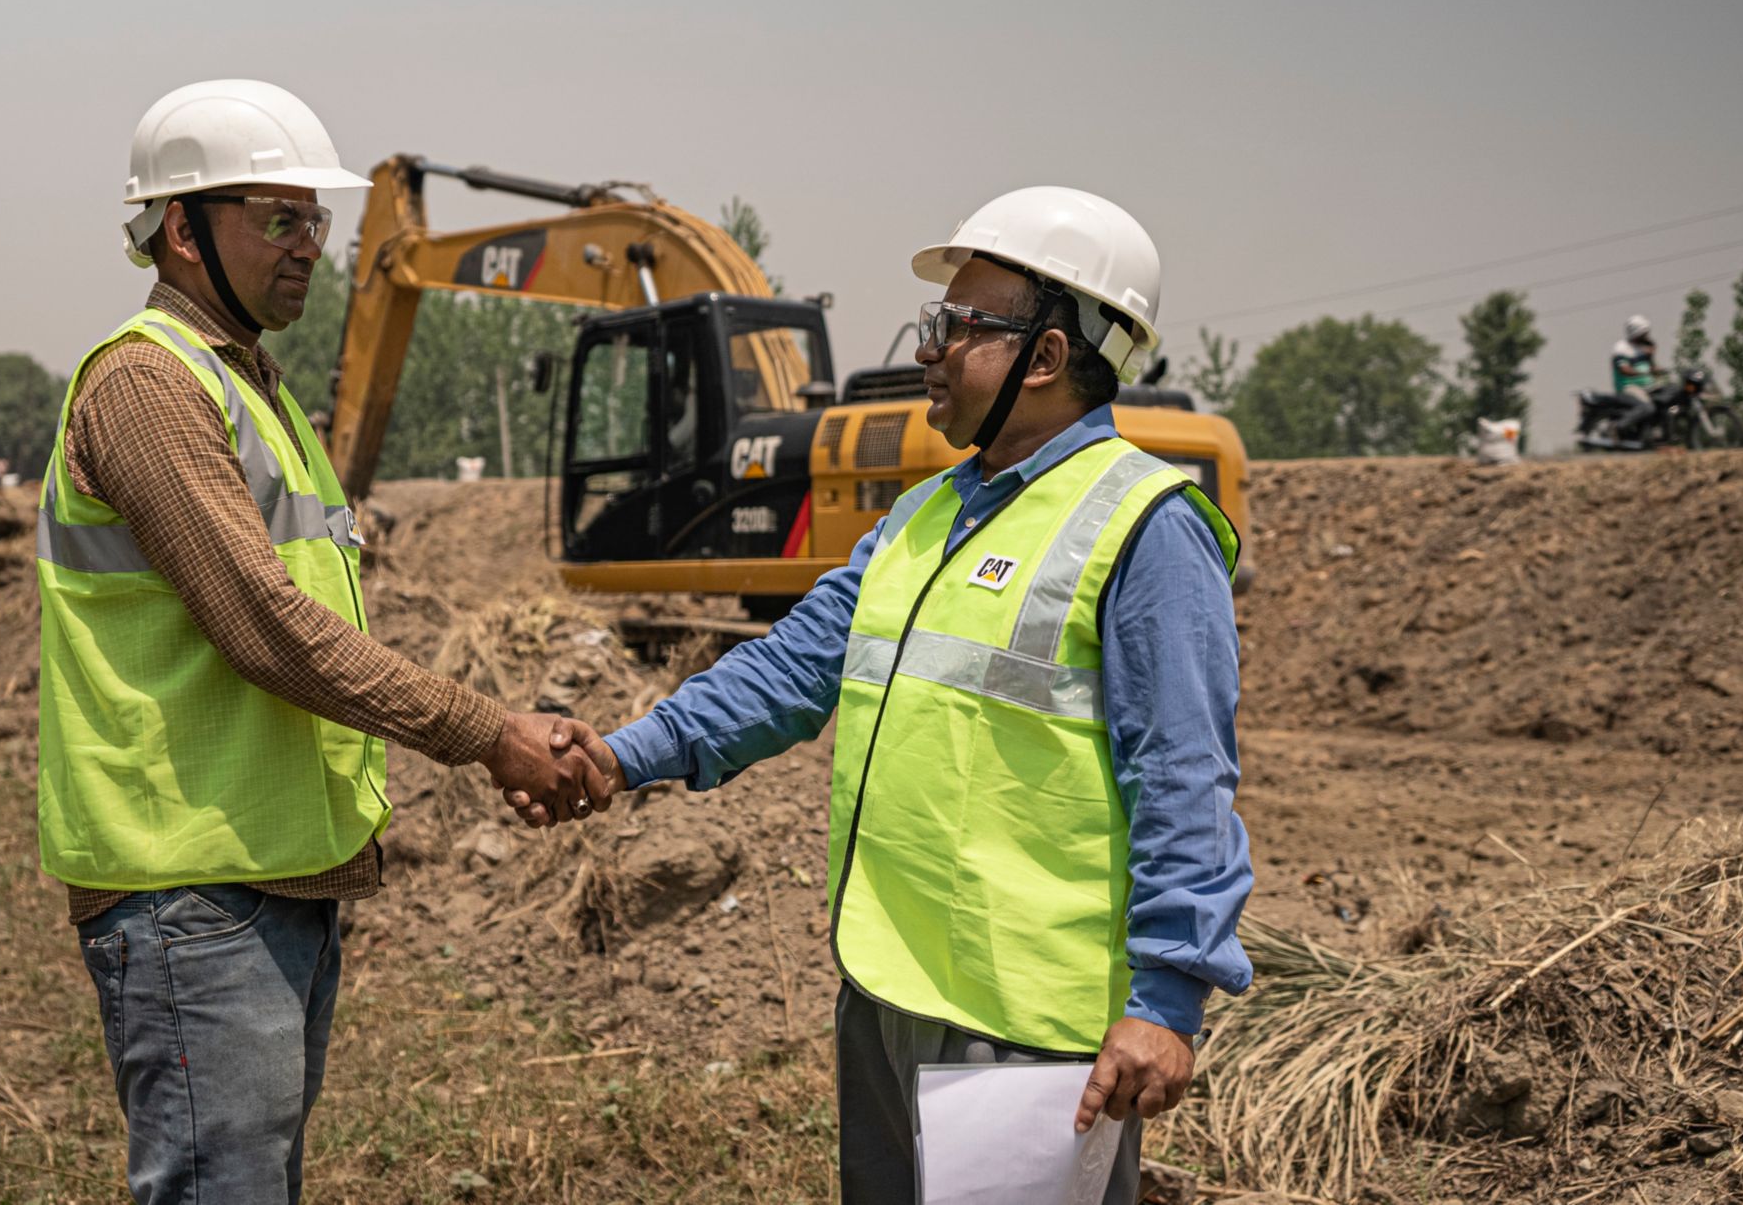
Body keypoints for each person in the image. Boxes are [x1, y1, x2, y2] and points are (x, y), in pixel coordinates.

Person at [531, 187, 1254, 1205]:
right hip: (887, 995)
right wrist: (620, 754)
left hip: (1028, 1031)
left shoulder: (1147, 527)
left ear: (1046, 357)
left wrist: (1167, 999)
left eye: (958, 326)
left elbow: (1184, 776)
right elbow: (790, 668)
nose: (928, 348)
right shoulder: (923, 514)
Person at [39, 79, 612, 1204]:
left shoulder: (257, 392)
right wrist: (487, 731)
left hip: (262, 880)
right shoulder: (150, 385)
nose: (311, 244)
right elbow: (270, 629)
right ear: (181, 228)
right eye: (278, 217)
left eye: (316, 218)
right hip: (193, 890)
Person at [1605, 314, 1663, 443]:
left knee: (1665, 398)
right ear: (1637, 333)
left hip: (1648, 386)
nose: (1647, 336)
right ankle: (1617, 427)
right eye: (1644, 333)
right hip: (1629, 387)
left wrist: (1653, 361)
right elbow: (1624, 370)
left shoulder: (1644, 348)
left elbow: (1652, 368)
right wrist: (1646, 371)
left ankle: (1655, 431)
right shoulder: (1621, 348)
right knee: (1647, 407)